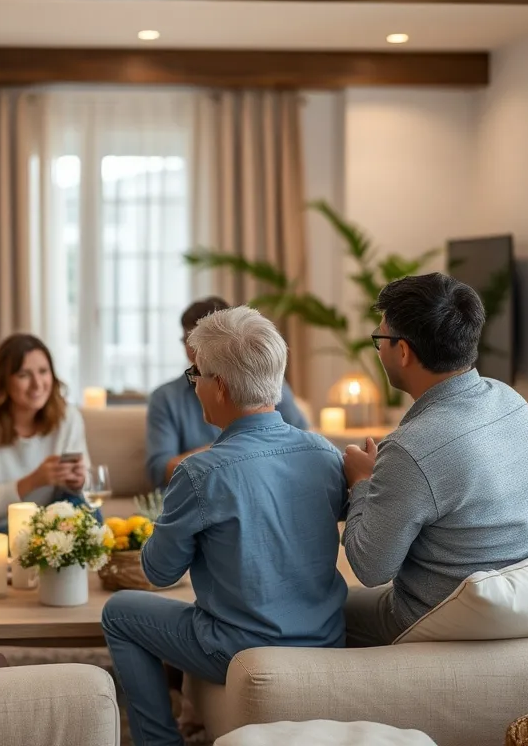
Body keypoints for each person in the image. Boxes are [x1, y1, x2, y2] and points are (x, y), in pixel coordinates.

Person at [102, 306, 348, 746]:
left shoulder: (201, 473)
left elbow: (159, 573)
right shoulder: (326, 453)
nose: (192, 385)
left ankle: (159, 741)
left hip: (238, 648)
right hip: (325, 639)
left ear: (218, 386)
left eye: (195, 374)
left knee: (119, 611)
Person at [342, 273, 528, 647]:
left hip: (439, 620)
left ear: (403, 351)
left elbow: (370, 568)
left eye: (380, 339)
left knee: (310, 610)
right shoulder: (511, 401)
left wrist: (361, 483)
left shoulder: (411, 449)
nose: (378, 350)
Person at [0, 333, 93, 557]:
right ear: (4, 380)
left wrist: (80, 480)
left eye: (43, 371)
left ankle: (37, 548)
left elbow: (85, 491)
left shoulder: (67, 417)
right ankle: (39, 549)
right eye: (24, 375)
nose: (37, 384)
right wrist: (32, 482)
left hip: (44, 526)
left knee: (90, 518)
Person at [146, 296, 309, 489]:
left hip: (260, 485)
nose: (192, 350)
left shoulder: (269, 382)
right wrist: (232, 451)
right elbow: (159, 470)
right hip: (197, 490)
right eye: (186, 341)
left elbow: (300, 442)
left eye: (198, 341)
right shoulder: (165, 397)